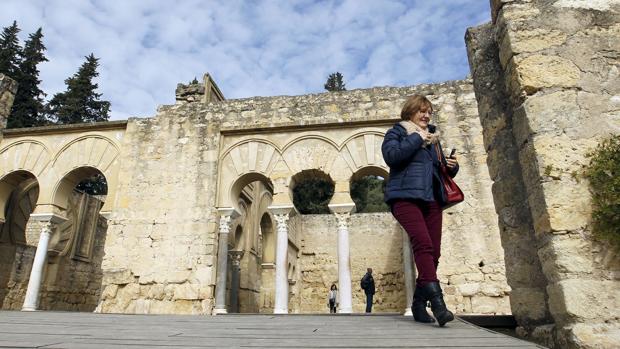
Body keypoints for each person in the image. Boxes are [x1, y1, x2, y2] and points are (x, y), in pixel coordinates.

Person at [381, 94, 459, 327]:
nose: (426, 115)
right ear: (410, 112)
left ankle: (417, 303)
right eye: (421, 111)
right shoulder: (398, 132)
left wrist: (450, 167)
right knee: (423, 245)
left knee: (434, 252)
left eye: (429, 112)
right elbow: (392, 157)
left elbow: (434, 170)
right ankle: (438, 304)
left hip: (431, 198)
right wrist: (416, 137)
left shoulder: (433, 140)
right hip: (404, 197)